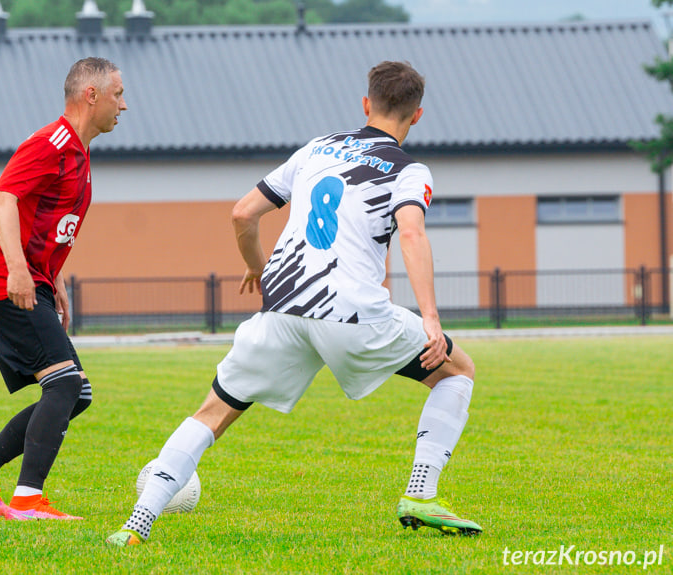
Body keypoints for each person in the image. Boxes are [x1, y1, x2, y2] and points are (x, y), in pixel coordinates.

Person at [107, 60, 481, 544]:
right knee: (457, 371)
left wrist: (259, 267)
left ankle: (136, 524)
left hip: (281, 309)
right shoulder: (410, 170)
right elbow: (410, 231)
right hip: (350, 312)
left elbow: (242, 213)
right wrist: (430, 317)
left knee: (214, 412)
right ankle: (420, 494)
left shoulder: (316, 149)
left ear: (366, 104)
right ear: (417, 116)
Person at [0, 57, 126, 520]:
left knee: (74, 393)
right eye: (117, 95)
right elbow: (3, 198)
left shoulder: (79, 154)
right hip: (0, 280)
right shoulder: (53, 142)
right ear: (91, 95)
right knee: (65, 384)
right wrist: (18, 271)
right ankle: (27, 499)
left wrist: (53, 275)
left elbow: (42, 220)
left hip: (31, 279)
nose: (123, 105)